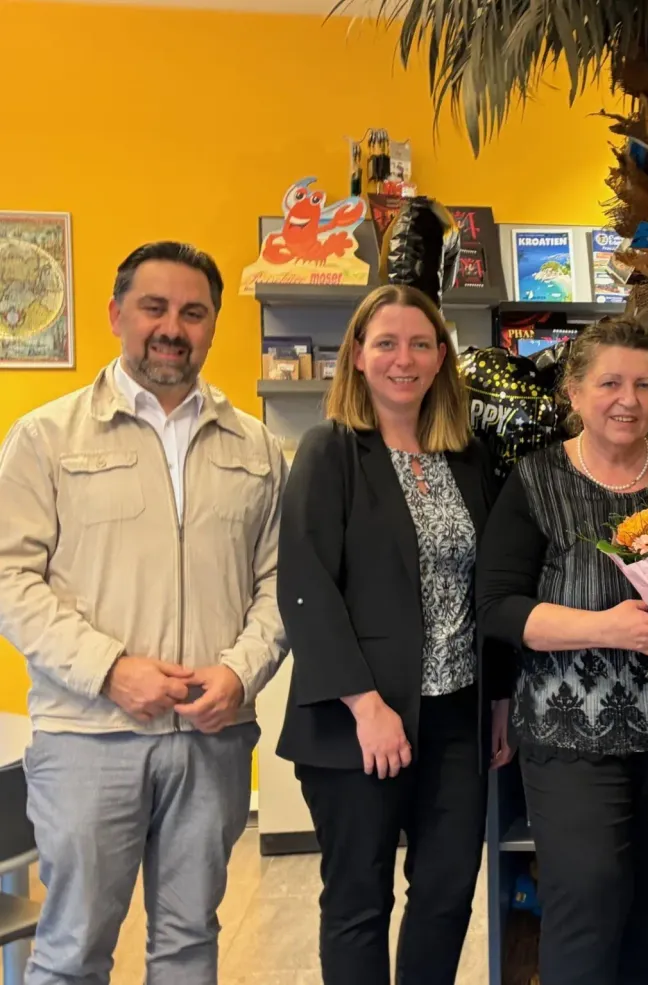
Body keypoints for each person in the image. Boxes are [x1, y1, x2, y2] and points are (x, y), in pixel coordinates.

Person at [0, 241, 287, 985]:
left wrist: (240, 672)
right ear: (116, 313)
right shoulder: (46, 438)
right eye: (154, 307)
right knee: (72, 949)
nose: (172, 327)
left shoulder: (254, 445)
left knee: (190, 942)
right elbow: (11, 578)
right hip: (87, 734)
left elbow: (279, 583)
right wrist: (110, 669)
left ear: (214, 325)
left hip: (212, 737)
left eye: (193, 312)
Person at [476, 317, 648, 985]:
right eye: (611, 382)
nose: (629, 399)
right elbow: (499, 608)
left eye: (645, 384)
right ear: (573, 391)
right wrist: (607, 627)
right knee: (587, 902)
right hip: (571, 735)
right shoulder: (536, 480)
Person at [274, 285, 514, 985]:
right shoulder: (330, 451)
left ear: (442, 358)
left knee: (445, 895)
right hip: (360, 720)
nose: (402, 359)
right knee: (359, 899)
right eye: (385, 342)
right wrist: (364, 704)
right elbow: (305, 586)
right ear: (357, 353)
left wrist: (498, 697)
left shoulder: (466, 458)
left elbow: (489, 587)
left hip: (456, 717)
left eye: (419, 344)